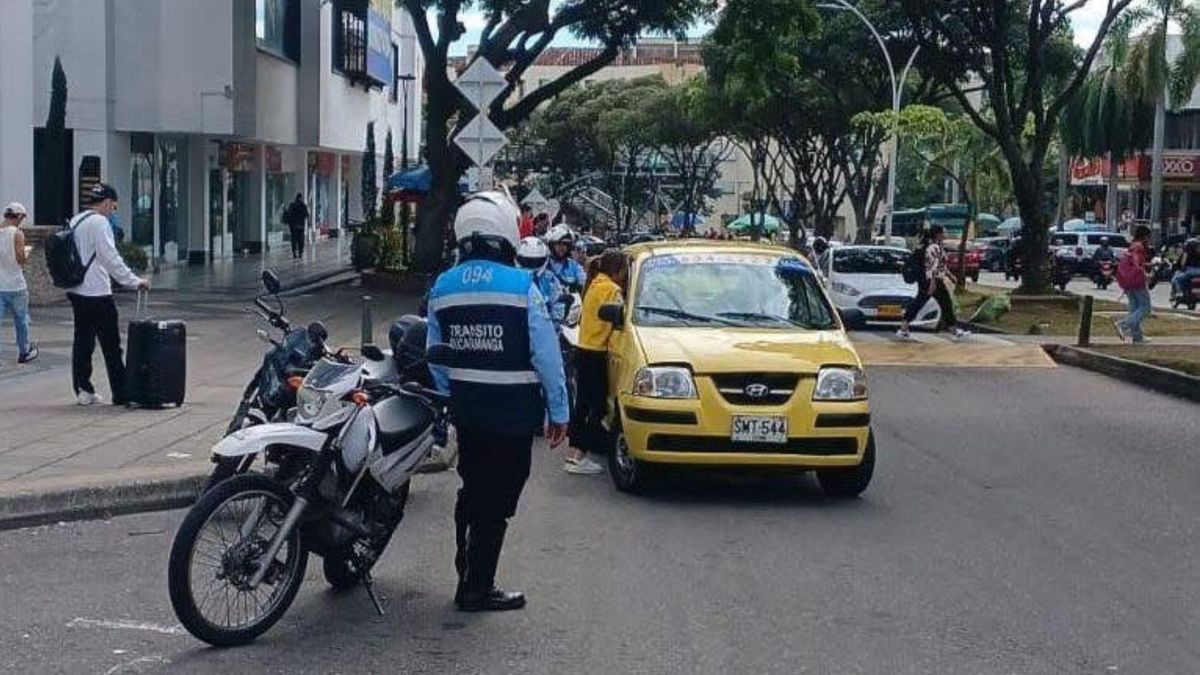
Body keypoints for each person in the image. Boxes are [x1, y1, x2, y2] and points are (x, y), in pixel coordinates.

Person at [426, 191, 569, 613]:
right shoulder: (522, 286)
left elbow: (437, 355)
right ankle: (476, 587)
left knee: (473, 489)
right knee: (498, 502)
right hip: (512, 415)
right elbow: (546, 356)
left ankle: (466, 571)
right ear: (505, 233)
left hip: (468, 412)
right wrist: (559, 412)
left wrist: (451, 398)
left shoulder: (443, 286)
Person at [67, 183, 150, 406]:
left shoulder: (76, 220)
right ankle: (121, 392)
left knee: (82, 341)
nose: (113, 212)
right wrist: (134, 281)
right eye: (113, 207)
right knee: (111, 344)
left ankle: (83, 389)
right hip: (97, 292)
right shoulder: (99, 223)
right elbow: (110, 258)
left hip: (76, 290)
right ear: (106, 203)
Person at [569, 250, 628, 476]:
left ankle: (573, 452)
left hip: (584, 349)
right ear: (618, 271)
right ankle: (579, 456)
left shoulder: (594, 284)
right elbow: (620, 318)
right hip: (596, 353)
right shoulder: (612, 290)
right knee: (598, 407)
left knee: (582, 404)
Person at [896, 225, 971, 341]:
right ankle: (954, 330)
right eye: (944, 232)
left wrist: (950, 276)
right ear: (938, 234)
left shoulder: (934, 246)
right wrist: (932, 282)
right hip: (932, 281)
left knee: (921, 303)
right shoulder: (933, 247)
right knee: (944, 304)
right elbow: (932, 267)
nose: (946, 234)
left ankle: (903, 328)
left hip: (930, 280)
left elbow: (940, 265)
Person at [0, 203, 37, 370]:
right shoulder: (17, 234)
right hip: (15, 285)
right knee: (21, 320)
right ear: (19, 217)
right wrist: (26, 254)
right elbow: (20, 258)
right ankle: (24, 351)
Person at [1114, 224, 1153, 343]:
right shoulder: (1138, 247)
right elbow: (1136, 264)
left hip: (1128, 280)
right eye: (1148, 236)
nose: (1149, 239)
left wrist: (1147, 266)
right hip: (1136, 280)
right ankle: (1123, 324)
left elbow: (1134, 262)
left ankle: (1137, 337)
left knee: (1134, 308)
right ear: (1145, 236)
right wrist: (1145, 274)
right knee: (1146, 308)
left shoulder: (1132, 245)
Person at [516, 236, 566, 325]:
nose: (531, 266)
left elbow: (558, 306)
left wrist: (552, 326)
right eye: (527, 261)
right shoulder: (511, 278)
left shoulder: (551, 280)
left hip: (543, 327)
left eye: (535, 261)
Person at [545, 224, 588, 294]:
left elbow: (584, 282)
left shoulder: (574, 266)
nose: (562, 247)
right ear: (551, 245)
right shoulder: (543, 264)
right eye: (558, 243)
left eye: (565, 244)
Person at [282, 194, 310, 259]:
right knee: (301, 240)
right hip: (301, 226)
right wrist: (308, 222)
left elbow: (289, 214)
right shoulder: (303, 205)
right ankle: (300, 252)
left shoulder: (292, 205)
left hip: (293, 226)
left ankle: (294, 252)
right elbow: (306, 215)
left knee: (294, 239)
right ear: (301, 198)